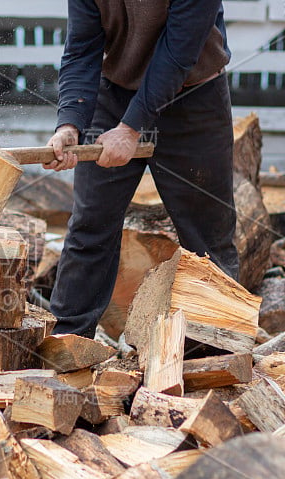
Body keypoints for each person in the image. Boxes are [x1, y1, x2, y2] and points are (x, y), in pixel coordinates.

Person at [43, 0, 239, 338]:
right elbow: (81, 49)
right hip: (114, 92)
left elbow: (178, 52)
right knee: (90, 224)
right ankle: (68, 343)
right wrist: (70, 124)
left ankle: (218, 353)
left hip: (193, 96)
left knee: (207, 235)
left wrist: (131, 128)